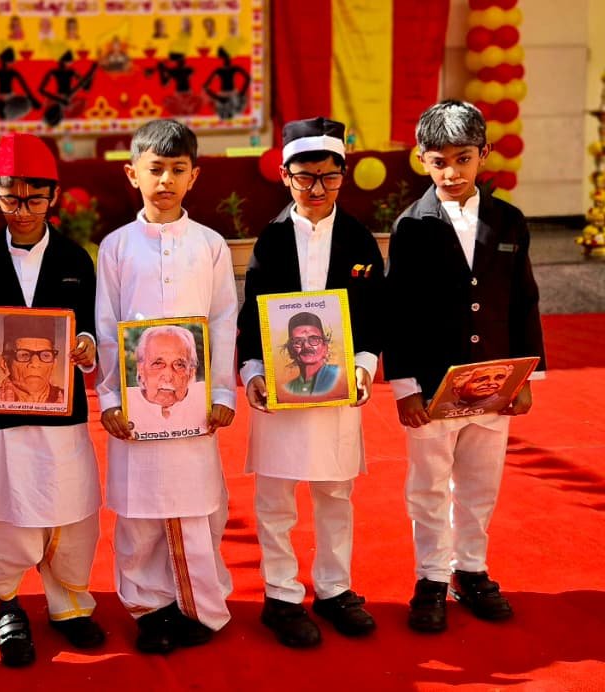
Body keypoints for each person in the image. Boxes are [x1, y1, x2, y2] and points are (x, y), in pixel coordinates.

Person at [385, 100, 544, 634]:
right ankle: (430, 577)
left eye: (463, 158)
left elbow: (524, 299)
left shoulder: (509, 221)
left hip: (494, 382)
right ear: (421, 161)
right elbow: (398, 311)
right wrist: (405, 386)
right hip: (432, 387)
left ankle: (470, 570)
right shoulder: (411, 225)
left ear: (484, 156)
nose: (451, 172)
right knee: (428, 485)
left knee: (480, 484)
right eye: (438, 161)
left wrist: (527, 376)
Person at [236, 116, 383, 649]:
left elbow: (371, 312)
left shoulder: (360, 238)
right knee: (275, 497)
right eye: (305, 177)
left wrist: (363, 364)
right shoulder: (271, 239)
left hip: (340, 386)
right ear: (284, 175)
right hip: (279, 392)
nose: (317, 189)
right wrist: (252, 372)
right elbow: (250, 314)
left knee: (335, 493)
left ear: (343, 175)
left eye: (329, 177)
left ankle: (335, 589)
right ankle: (279, 594)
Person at [0, 132, 104, 667]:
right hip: (1, 413)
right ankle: (7, 603)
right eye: (10, 197)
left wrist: (87, 346)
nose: (21, 210)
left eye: (34, 198)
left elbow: (92, 328)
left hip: (63, 411)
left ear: (54, 197)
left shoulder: (76, 259)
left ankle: (69, 601)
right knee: (6, 506)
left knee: (69, 500)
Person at [96, 119, 237, 655]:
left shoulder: (211, 245)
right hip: (135, 408)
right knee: (139, 511)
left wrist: (221, 393)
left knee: (198, 506)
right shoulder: (116, 246)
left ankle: (201, 607)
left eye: (178, 170)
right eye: (155, 169)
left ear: (194, 176)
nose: (166, 180)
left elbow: (224, 319)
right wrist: (110, 397)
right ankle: (148, 607)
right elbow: (107, 328)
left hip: (193, 406)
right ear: (133, 173)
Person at [124, 324, 207, 436]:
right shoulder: (125, 402)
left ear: (191, 373)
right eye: (158, 363)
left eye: (179, 365)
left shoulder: (204, 398)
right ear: (141, 370)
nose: (168, 377)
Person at [0, 314, 65, 405]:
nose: (35, 364)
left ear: (54, 365)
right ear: (4, 363)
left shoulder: (69, 400)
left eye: (45, 355)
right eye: (24, 355)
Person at [281, 312, 342, 397]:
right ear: (290, 350)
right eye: (298, 341)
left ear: (325, 347)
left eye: (314, 339)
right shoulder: (287, 388)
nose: (306, 346)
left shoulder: (340, 376)